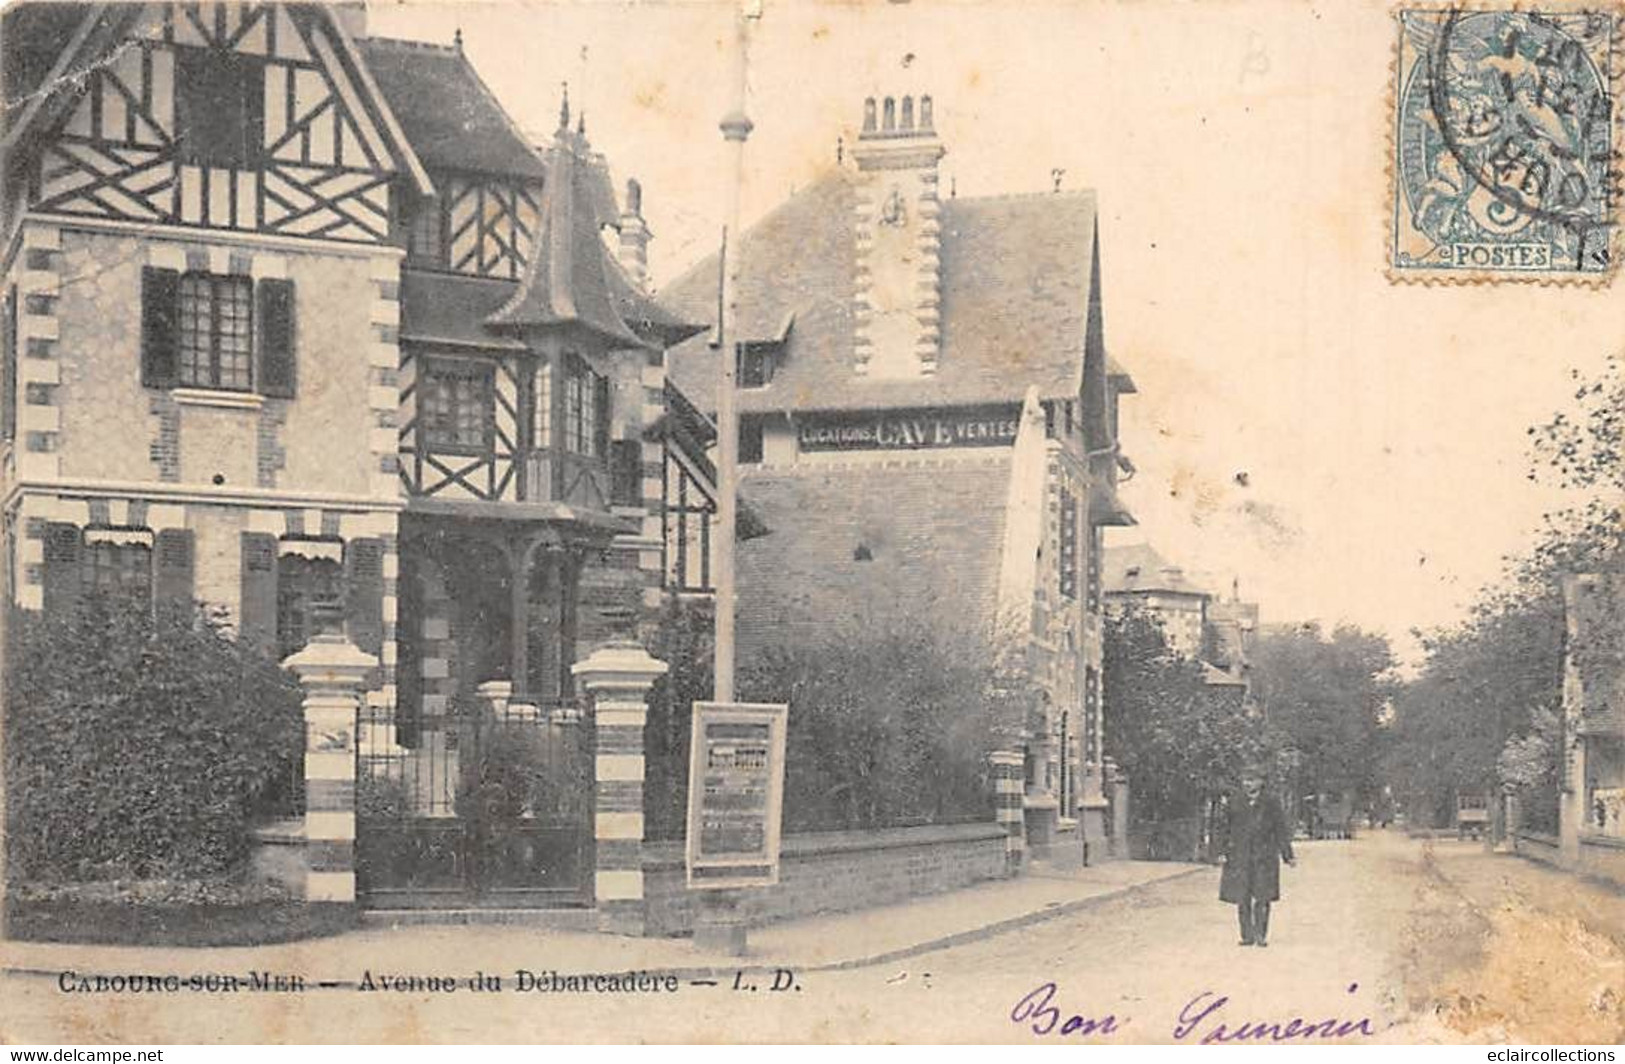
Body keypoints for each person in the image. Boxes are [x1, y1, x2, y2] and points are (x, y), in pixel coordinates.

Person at [1218, 766, 1295, 947]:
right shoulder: (1234, 801)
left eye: (1252, 780)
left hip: (1265, 856)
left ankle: (1260, 934)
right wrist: (1222, 851)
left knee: (1263, 896)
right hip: (1240, 855)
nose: (1247, 783)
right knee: (1242, 896)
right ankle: (1247, 935)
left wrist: (1287, 855)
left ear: (1261, 781)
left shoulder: (1271, 802)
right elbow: (1224, 828)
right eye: (1245, 780)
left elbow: (1280, 829)